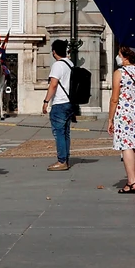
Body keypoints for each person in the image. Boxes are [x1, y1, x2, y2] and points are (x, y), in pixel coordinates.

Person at [109, 47, 135, 193]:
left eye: (120, 55)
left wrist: (110, 119)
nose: (118, 57)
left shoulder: (119, 73)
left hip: (124, 112)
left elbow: (115, 98)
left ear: (125, 57)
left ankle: (131, 181)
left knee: (126, 146)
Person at [43, 39, 74, 171]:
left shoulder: (57, 65)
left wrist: (46, 101)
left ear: (54, 51)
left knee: (59, 133)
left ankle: (62, 161)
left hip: (60, 103)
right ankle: (65, 158)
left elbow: (53, 84)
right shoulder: (70, 63)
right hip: (69, 102)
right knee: (66, 133)